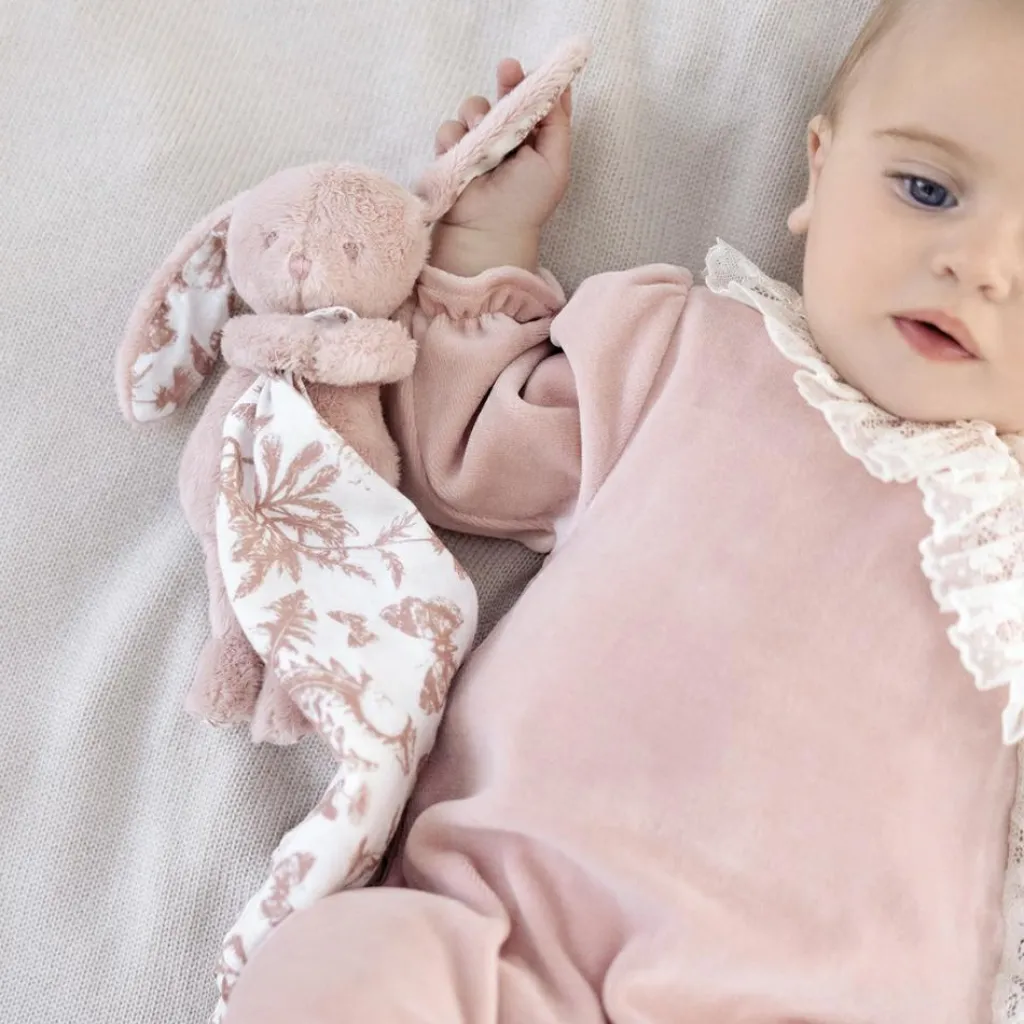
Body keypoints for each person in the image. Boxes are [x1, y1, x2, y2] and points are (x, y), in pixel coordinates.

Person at [226, 1, 1024, 1019]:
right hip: (504, 936)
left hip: (815, 999)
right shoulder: (680, 352)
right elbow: (464, 454)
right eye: (926, 189)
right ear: (819, 172)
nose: (979, 264)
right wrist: (486, 239)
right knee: (345, 967)